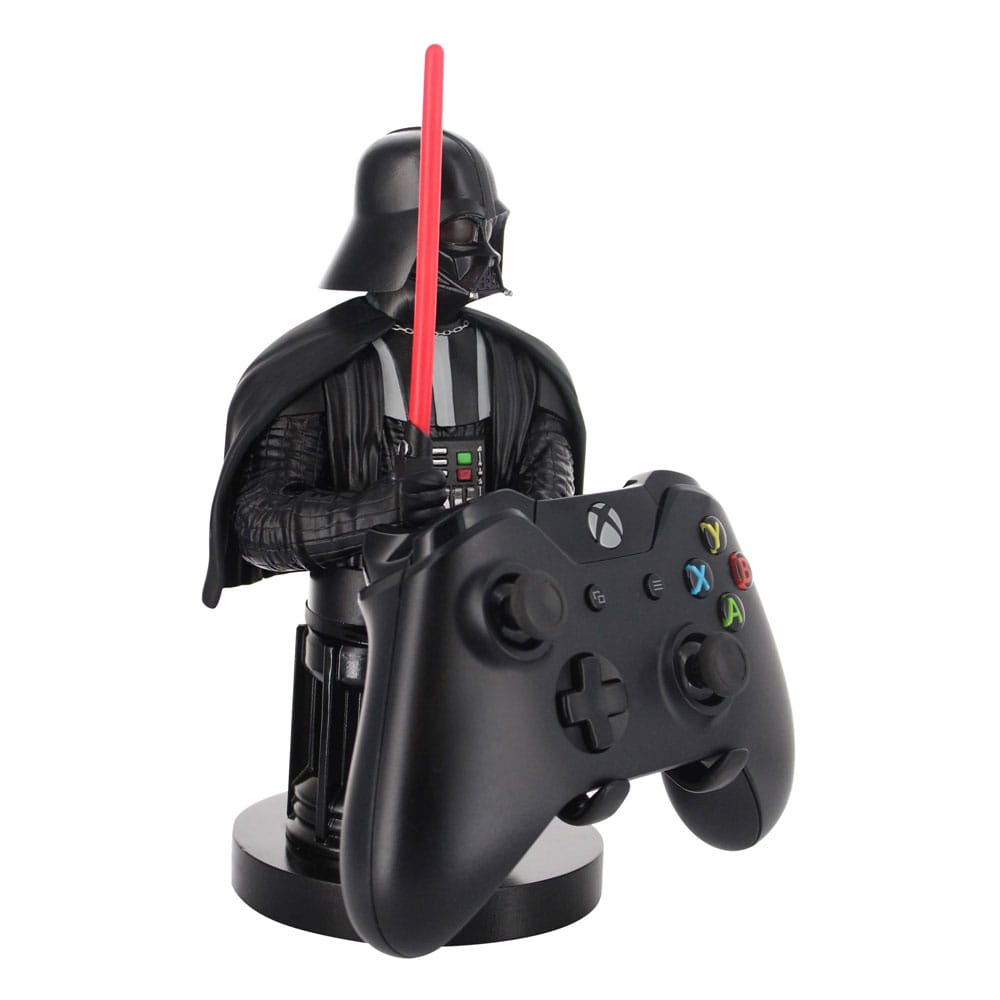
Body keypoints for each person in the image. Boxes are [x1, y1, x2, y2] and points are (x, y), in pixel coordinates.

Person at [203, 128, 586, 865]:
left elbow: (553, 516)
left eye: (489, 228)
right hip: (360, 651)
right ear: (403, 234)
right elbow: (257, 524)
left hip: (493, 647)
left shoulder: (524, 372)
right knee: (363, 807)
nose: (484, 250)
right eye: (463, 230)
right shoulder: (322, 371)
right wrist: (377, 510)